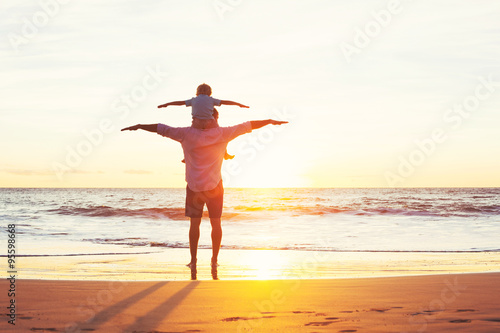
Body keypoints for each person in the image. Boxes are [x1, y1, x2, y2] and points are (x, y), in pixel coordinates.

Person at [121, 119, 288, 276]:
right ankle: (206, 261)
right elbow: (247, 126)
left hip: (197, 188)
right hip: (212, 187)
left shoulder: (187, 133)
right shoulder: (222, 133)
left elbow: (162, 128)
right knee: (207, 224)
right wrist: (269, 121)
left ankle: (202, 261)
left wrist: (140, 125)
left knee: (204, 224)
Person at [158, 83, 249, 160]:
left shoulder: (193, 100)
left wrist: (166, 104)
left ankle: (187, 157)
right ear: (210, 92)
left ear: (197, 92)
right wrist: (239, 104)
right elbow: (226, 102)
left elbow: (179, 103)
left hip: (197, 123)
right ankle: (225, 153)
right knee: (222, 135)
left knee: (190, 138)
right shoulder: (211, 99)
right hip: (210, 123)